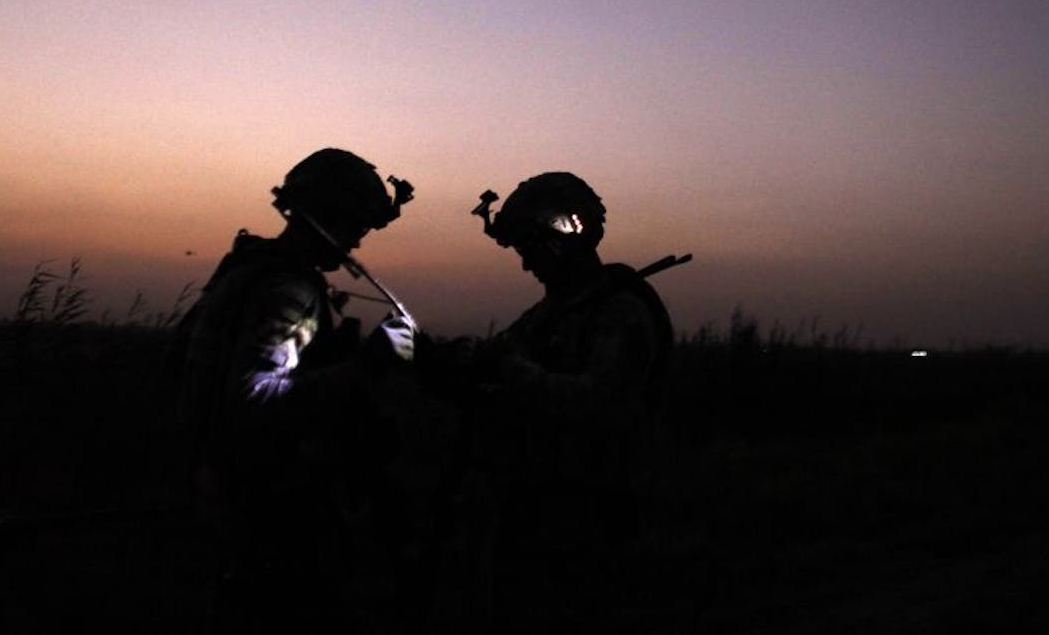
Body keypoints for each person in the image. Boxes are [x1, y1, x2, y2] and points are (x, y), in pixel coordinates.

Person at [174, 148, 419, 633]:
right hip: (266, 512)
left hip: (229, 500)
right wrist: (369, 365)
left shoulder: (248, 269)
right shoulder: (288, 289)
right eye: (356, 226)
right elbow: (252, 401)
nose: (357, 241)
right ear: (330, 215)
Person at [454, 172, 677, 630]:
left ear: (561, 238)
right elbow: (502, 355)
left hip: (587, 514)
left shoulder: (620, 313)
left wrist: (509, 369)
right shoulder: (554, 310)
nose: (525, 265)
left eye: (529, 250)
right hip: (537, 504)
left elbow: (593, 402)